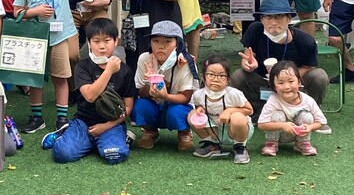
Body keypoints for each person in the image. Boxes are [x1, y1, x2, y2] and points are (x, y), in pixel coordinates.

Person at [14, 0, 88, 133]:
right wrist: (33, 12)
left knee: (61, 76)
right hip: (36, 37)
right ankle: (37, 117)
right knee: (35, 79)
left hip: (60, 36)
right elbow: (17, 12)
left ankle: (62, 117)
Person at [44, 18, 136, 164]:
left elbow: (128, 107)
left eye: (107, 40)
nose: (102, 46)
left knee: (115, 156)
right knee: (62, 155)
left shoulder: (126, 71)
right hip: (83, 121)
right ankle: (65, 133)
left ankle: (107, 139)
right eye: (96, 41)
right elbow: (90, 96)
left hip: (111, 122)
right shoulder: (82, 67)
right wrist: (109, 71)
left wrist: (107, 126)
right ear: (89, 43)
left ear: (116, 41)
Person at [232, 0, 330, 122]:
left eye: (279, 16)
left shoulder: (305, 40)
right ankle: (257, 111)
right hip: (263, 81)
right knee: (239, 76)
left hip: (292, 83)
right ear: (261, 19)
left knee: (319, 76)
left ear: (289, 19)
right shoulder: (255, 30)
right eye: (268, 17)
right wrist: (248, 64)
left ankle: (310, 112)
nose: (273, 22)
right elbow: (248, 56)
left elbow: (309, 66)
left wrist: (284, 79)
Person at [131, 20, 200, 152]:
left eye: (167, 41)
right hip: (155, 105)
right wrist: (149, 83)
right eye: (155, 41)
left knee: (177, 111)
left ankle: (184, 133)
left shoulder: (186, 61)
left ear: (177, 44)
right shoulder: (145, 58)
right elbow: (140, 92)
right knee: (139, 105)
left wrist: (165, 96)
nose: (160, 46)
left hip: (177, 105)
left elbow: (186, 97)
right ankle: (150, 131)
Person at [188, 55, 253, 164]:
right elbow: (199, 107)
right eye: (211, 75)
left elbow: (249, 110)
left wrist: (229, 111)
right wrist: (200, 109)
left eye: (221, 75)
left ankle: (240, 147)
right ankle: (211, 144)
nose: (215, 79)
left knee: (237, 117)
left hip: (237, 130)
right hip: (215, 130)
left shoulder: (233, 94)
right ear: (203, 77)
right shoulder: (198, 95)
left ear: (228, 79)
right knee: (192, 114)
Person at [257, 61, 327, 157]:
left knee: (306, 116)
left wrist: (310, 127)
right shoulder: (273, 100)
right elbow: (261, 124)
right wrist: (282, 126)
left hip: (299, 133)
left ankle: (302, 143)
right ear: (274, 86)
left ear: (299, 82)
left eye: (291, 81)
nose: (286, 87)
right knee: (277, 115)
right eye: (281, 83)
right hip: (279, 133)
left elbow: (322, 121)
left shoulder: (308, 100)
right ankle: (271, 143)